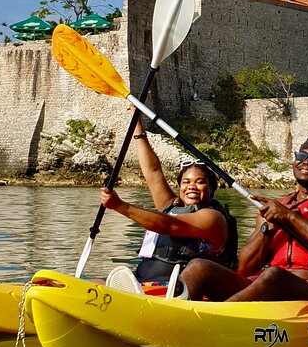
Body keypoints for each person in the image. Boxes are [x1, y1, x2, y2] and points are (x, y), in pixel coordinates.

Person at [180, 135, 308, 301]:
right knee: (198, 267)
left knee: (274, 275)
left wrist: (291, 218)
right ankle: (176, 317)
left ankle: (217, 319)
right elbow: (245, 268)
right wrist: (266, 230)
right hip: (265, 286)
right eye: (301, 156)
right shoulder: (274, 208)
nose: (306, 162)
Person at [100, 105, 237, 284]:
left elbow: (167, 225)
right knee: (93, 284)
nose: (192, 187)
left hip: (174, 289)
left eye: (200, 182)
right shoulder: (172, 205)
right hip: (141, 280)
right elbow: (153, 172)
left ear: (211, 188)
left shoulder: (213, 217)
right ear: (179, 187)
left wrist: (120, 206)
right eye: (186, 182)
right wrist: (137, 125)